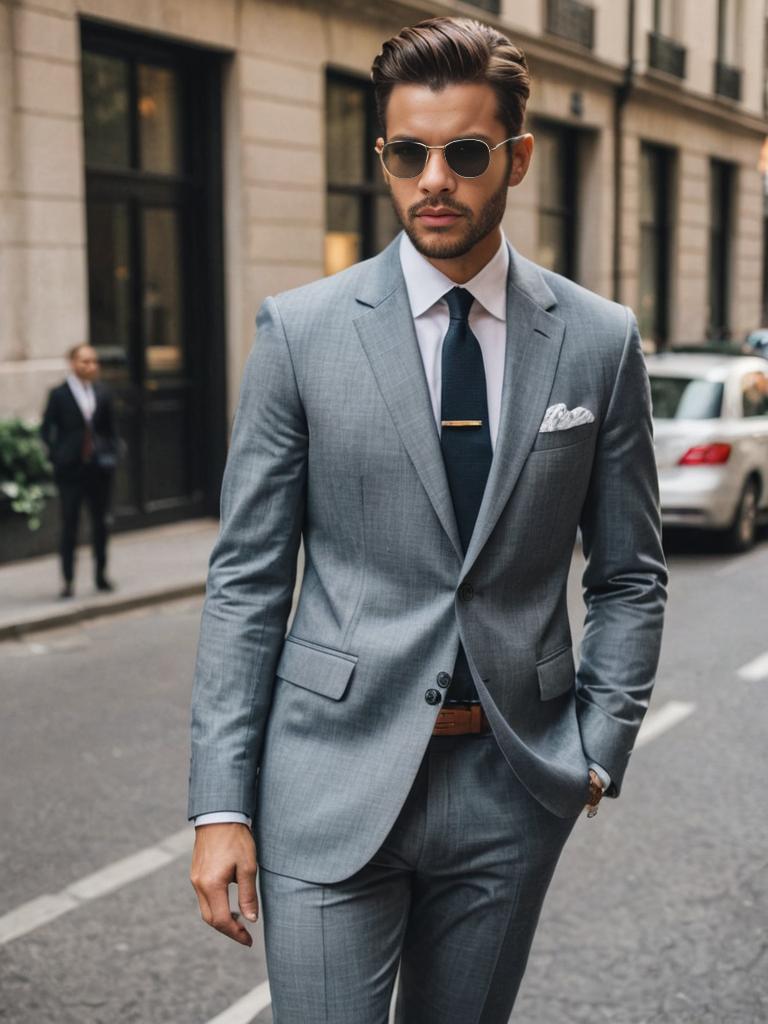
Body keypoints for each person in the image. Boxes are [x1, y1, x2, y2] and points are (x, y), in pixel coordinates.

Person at [189, 16, 667, 1022]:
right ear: (384, 159)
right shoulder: (301, 333)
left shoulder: (598, 341)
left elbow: (628, 572)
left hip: (511, 780)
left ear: (518, 158)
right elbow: (247, 582)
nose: (433, 178)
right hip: (326, 776)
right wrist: (221, 804)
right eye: (408, 154)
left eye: (463, 152)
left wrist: (597, 744)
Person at [41, 343, 118, 599]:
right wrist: (57, 455)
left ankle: (101, 576)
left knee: (101, 524)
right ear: (73, 363)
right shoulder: (59, 395)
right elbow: (46, 430)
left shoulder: (103, 392)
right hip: (70, 470)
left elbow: (110, 429)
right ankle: (68, 580)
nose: (91, 366)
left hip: (99, 469)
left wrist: (112, 453)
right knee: (69, 526)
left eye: (94, 361)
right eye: (85, 361)